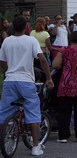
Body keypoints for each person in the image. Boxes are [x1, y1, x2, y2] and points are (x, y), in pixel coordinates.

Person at [0, 16, 54, 156]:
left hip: (10, 81)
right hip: (26, 81)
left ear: (12, 28)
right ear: (25, 27)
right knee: (33, 113)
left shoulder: (6, 41)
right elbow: (42, 59)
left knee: (4, 113)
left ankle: (4, 139)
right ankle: (36, 146)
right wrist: (48, 77)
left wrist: (9, 70)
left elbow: (2, 61)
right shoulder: (31, 40)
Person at [52, 31, 77, 143]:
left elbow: (55, 65)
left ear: (70, 38)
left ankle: (63, 135)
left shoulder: (64, 50)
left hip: (66, 84)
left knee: (64, 112)